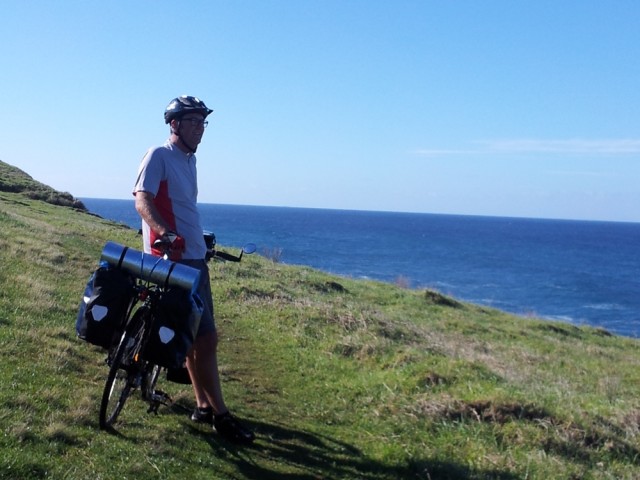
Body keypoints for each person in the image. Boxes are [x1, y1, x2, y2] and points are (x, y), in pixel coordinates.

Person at [132, 95, 254, 444]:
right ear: (175, 124)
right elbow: (143, 199)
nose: (200, 129)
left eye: (203, 123)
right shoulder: (159, 156)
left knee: (191, 338)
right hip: (177, 261)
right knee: (207, 337)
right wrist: (165, 234)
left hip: (194, 257)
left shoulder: (189, 160)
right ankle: (222, 416)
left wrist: (200, 240)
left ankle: (202, 405)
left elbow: (182, 208)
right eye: (193, 122)